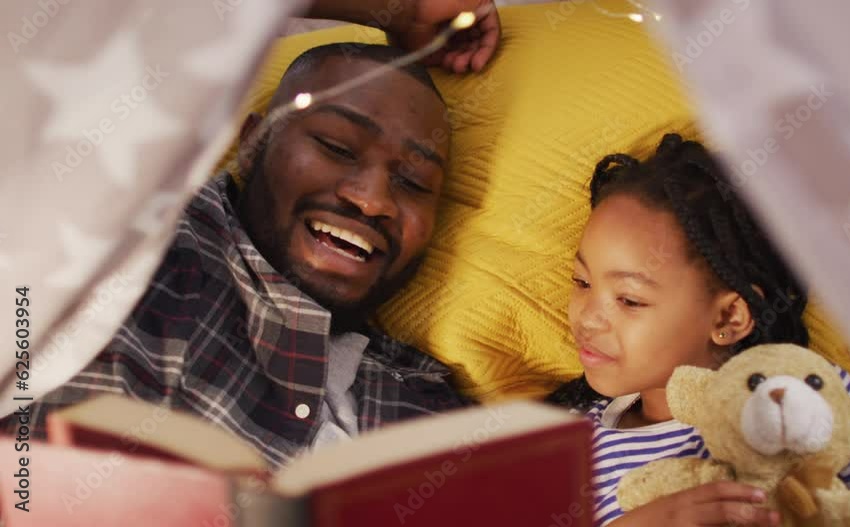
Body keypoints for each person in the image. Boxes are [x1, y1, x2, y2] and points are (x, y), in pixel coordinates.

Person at [1, 0, 500, 467]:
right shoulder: (126, 240)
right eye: (336, 146)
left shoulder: (435, 414)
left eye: (413, 182)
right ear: (253, 142)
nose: (372, 200)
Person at [546, 134, 850, 526]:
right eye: (582, 282)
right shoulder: (566, 442)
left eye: (629, 300)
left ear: (729, 318)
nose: (588, 317)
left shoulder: (807, 392)